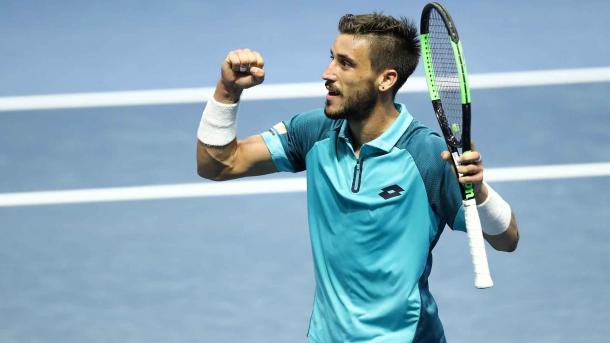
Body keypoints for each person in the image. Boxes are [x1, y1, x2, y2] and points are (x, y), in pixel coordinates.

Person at [196, 12, 519, 343]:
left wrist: (478, 191)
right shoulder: (314, 132)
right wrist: (227, 90)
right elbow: (218, 164)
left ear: (385, 79)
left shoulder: (426, 156)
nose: (327, 74)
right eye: (331, 59)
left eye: (345, 64)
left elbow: (507, 238)